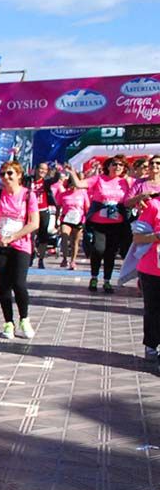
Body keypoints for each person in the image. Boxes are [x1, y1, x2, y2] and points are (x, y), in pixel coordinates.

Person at [0, 162, 41, 340]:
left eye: (10, 173)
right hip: (0, 244)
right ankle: (8, 322)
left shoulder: (28, 195)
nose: (6, 177)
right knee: (4, 285)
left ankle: (24, 318)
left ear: (19, 175)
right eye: (2, 174)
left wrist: (13, 237)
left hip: (21, 245)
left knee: (19, 283)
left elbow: (34, 223)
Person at [80, 155, 132, 293]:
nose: (117, 167)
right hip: (98, 223)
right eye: (114, 164)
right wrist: (71, 173)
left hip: (116, 224)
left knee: (110, 253)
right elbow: (80, 184)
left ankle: (107, 281)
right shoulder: (99, 179)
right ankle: (94, 277)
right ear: (108, 166)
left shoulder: (125, 182)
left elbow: (133, 196)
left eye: (121, 165)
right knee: (98, 250)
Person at [133, 194, 160, 369]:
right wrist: (157, 237)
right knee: (153, 310)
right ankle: (151, 345)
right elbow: (138, 238)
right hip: (152, 268)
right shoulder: (153, 205)